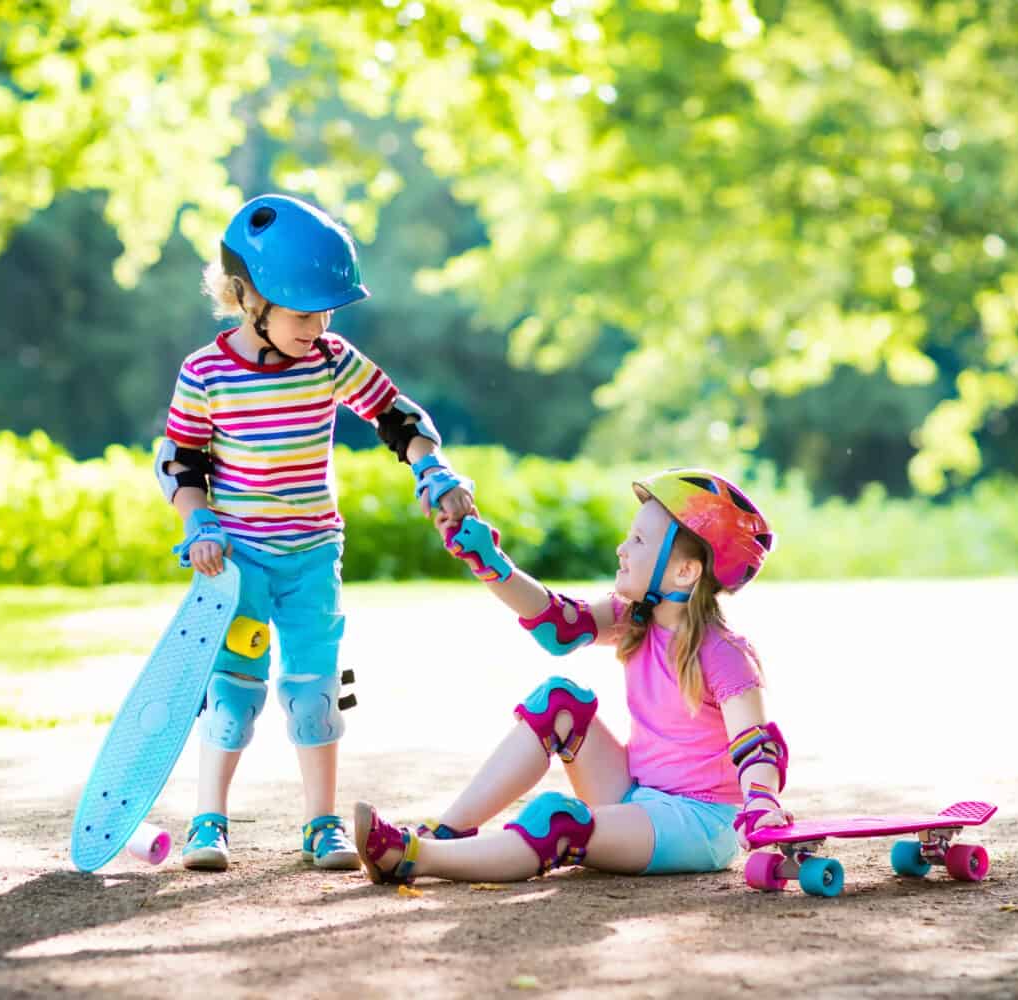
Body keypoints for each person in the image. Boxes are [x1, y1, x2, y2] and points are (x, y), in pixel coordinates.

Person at [155, 193, 474, 871]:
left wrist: (434, 471)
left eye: (327, 312)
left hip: (311, 557)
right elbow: (180, 462)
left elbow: (394, 413)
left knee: (316, 689)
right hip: (236, 564)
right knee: (235, 689)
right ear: (247, 298)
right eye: (304, 313)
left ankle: (321, 824)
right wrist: (199, 520)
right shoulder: (205, 373)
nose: (318, 325)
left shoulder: (328, 358)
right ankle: (208, 822)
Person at [353, 468, 792, 884]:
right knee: (559, 703)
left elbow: (756, 745)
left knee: (557, 822)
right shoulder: (637, 617)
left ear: (685, 572)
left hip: (697, 822)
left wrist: (761, 805)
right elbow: (559, 626)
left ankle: (414, 858)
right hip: (636, 794)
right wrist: (490, 561)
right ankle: (446, 833)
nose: (623, 548)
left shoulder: (725, 653)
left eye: (639, 540)